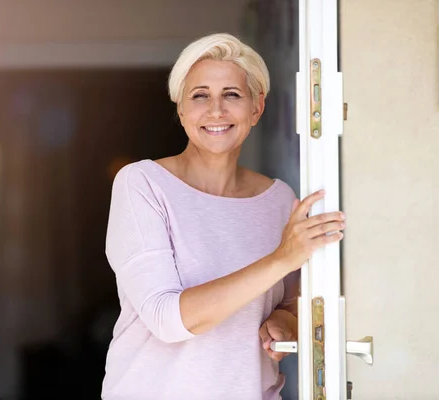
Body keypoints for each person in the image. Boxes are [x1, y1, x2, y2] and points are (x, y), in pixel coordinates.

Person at [101, 32, 345, 400]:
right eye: (200, 96)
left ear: (256, 108)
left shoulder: (279, 200)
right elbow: (167, 319)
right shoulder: (142, 185)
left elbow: (292, 300)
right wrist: (281, 258)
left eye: (232, 94)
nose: (215, 110)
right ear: (181, 109)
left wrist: (284, 323)